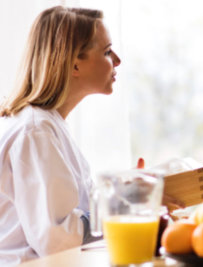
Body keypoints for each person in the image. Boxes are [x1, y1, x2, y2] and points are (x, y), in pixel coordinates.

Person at [0, 6, 120, 265]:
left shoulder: (46, 125)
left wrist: (126, 192)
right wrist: (122, 209)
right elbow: (57, 239)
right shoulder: (36, 131)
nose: (117, 60)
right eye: (107, 52)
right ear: (74, 64)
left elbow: (71, 214)